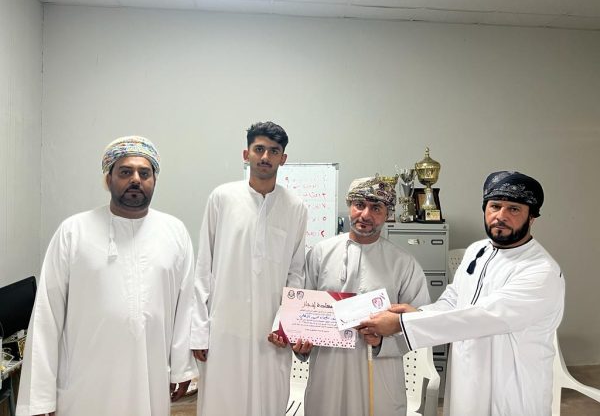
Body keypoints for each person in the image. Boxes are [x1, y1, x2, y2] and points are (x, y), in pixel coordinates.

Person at [16, 136, 197, 416]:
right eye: (125, 172)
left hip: (149, 380)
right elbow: (47, 316)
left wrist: (182, 368)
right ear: (108, 178)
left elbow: (186, 308)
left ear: (154, 180)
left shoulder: (175, 233)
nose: (135, 179)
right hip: (84, 385)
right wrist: (40, 398)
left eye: (144, 173)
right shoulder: (73, 232)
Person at [359, 171, 565, 416]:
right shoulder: (478, 251)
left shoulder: (541, 271)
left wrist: (401, 324)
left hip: (511, 389)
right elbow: (454, 299)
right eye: (495, 206)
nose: (501, 216)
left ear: (531, 217)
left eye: (513, 209)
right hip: (467, 380)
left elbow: (483, 317)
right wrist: (419, 313)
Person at [190, 121, 308, 416]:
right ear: (246, 154)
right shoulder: (222, 198)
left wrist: (285, 324)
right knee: (222, 403)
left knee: (268, 402)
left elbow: (296, 273)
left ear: (283, 158)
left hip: (270, 335)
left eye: (274, 151)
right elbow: (204, 266)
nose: (265, 156)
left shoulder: (296, 207)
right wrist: (199, 331)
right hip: (224, 329)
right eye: (259, 149)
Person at [302, 176, 430, 416]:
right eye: (359, 205)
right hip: (328, 370)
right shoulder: (320, 254)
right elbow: (302, 314)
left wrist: (384, 342)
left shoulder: (403, 263)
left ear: (388, 214)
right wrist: (301, 345)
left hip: (380, 372)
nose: (365, 215)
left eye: (376, 208)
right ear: (349, 205)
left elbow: (420, 325)